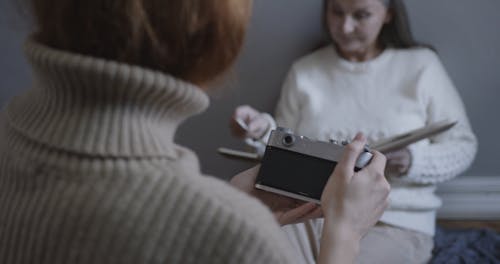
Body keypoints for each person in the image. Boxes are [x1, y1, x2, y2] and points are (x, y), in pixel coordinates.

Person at [0, 0, 391, 263]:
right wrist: (344, 235)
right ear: (212, 33)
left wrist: (227, 200)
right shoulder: (237, 238)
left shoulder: (8, 134)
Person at [231, 0, 478, 263]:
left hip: (393, 222)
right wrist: (260, 132)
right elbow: (284, 151)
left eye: (361, 16)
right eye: (337, 13)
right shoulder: (305, 71)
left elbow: (462, 144)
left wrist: (413, 161)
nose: (345, 27)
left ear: (388, 15)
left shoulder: (421, 65)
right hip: (307, 214)